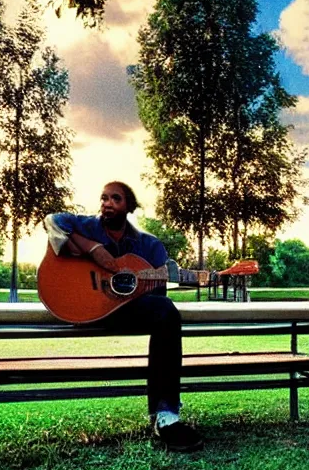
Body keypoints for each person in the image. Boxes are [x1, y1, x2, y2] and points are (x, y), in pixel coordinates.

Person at [44, 181, 203, 453]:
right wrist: (91, 248)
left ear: (128, 206)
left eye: (115, 199)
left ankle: (165, 417)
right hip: (81, 304)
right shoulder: (86, 226)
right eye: (104, 197)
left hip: (125, 311)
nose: (107, 203)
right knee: (164, 312)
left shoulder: (148, 245)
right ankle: (163, 415)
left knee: (166, 312)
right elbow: (52, 220)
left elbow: (160, 296)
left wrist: (141, 285)